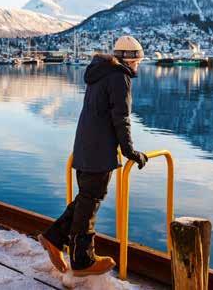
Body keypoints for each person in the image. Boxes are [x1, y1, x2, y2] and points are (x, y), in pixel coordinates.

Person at [38, 35, 148, 276]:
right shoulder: (120, 78)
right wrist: (130, 152)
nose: (138, 65)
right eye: (137, 61)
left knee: (86, 199)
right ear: (129, 60)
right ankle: (82, 260)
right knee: (91, 201)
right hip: (99, 150)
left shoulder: (99, 74)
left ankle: (53, 239)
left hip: (85, 146)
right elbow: (121, 119)